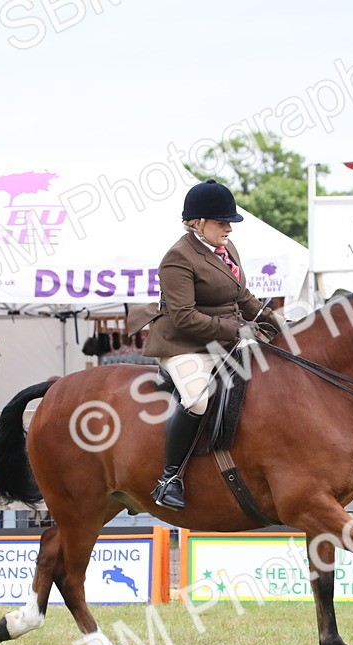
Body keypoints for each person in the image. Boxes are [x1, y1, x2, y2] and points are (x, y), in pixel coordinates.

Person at [142, 178, 281, 510]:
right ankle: (169, 479)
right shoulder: (177, 258)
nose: (229, 228)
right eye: (222, 222)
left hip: (226, 339)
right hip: (183, 344)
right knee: (198, 399)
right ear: (198, 222)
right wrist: (235, 330)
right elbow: (184, 317)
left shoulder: (226, 249)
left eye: (230, 222)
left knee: (268, 378)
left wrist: (280, 326)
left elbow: (243, 297)